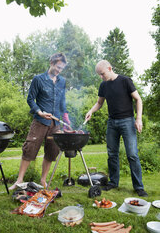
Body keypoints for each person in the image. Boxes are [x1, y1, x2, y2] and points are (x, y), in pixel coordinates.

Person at [85, 60, 148, 197]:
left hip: (127, 122)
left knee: (132, 154)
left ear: (109, 68)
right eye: (99, 75)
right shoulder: (103, 85)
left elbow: (138, 99)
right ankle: (113, 182)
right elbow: (99, 103)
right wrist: (91, 111)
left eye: (102, 74)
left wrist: (138, 119)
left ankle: (139, 187)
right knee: (112, 154)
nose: (101, 77)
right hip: (112, 123)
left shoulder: (125, 81)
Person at [9, 53, 71, 190]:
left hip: (55, 123)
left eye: (61, 68)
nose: (59, 70)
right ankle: (19, 180)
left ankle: (43, 180)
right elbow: (30, 99)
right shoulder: (38, 79)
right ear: (51, 63)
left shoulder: (61, 81)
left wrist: (65, 116)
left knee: (52, 150)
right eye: (57, 67)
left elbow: (62, 101)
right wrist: (39, 112)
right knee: (29, 148)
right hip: (40, 121)